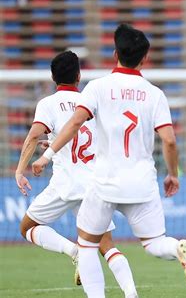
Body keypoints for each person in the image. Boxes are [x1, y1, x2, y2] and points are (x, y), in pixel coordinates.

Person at [32, 24, 186, 298]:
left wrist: (47, 155)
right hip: (142, 183)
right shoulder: (154, 94)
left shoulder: (97, 87)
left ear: (115, 54)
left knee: (87, 245)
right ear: (144, 58)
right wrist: (173, 175)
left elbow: (76, 123)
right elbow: (169, 140)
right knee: (155, 243)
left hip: (105, 183)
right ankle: (176, 248)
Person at [15, 51, 137, 295]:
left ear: (52, 77)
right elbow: (92, 141)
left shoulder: (48, 104)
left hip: (65, 186)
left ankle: (73, 251)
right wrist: (53, 146)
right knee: (107, 246)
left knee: (27, 228)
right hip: (93, 185)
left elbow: (32, 136)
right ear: (79, 76)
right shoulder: (90, 103)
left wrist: (20, 170)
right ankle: (131, 293)